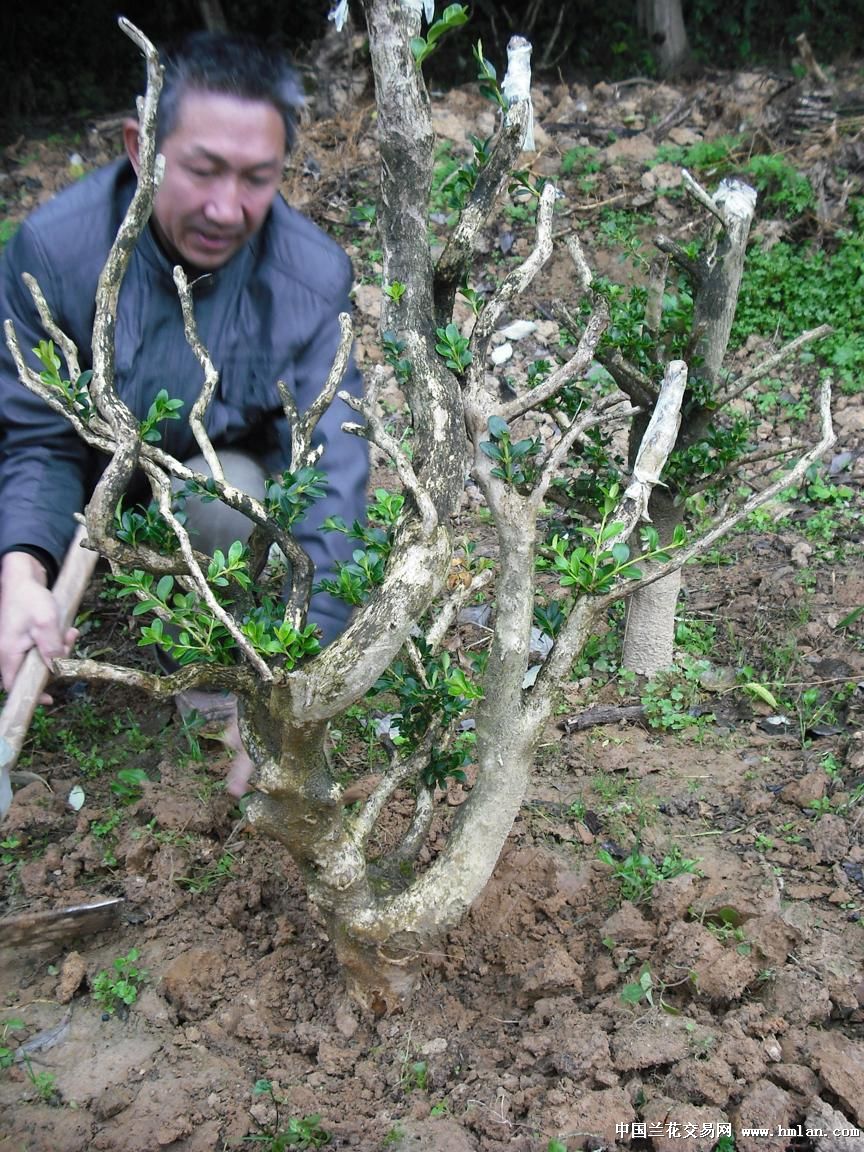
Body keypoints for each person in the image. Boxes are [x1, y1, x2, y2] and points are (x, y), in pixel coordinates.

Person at [0, 31, 369, 791]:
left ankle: (209, 670)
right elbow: (34, 438)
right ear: (143, 147)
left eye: (256, 179)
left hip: (204, 483)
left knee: (222, 496)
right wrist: (21, 573)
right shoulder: (55, 249)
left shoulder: (310, 276)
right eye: (202, 170)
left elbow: (334, 475)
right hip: (85, 475)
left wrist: (304, 677)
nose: (224, 207)